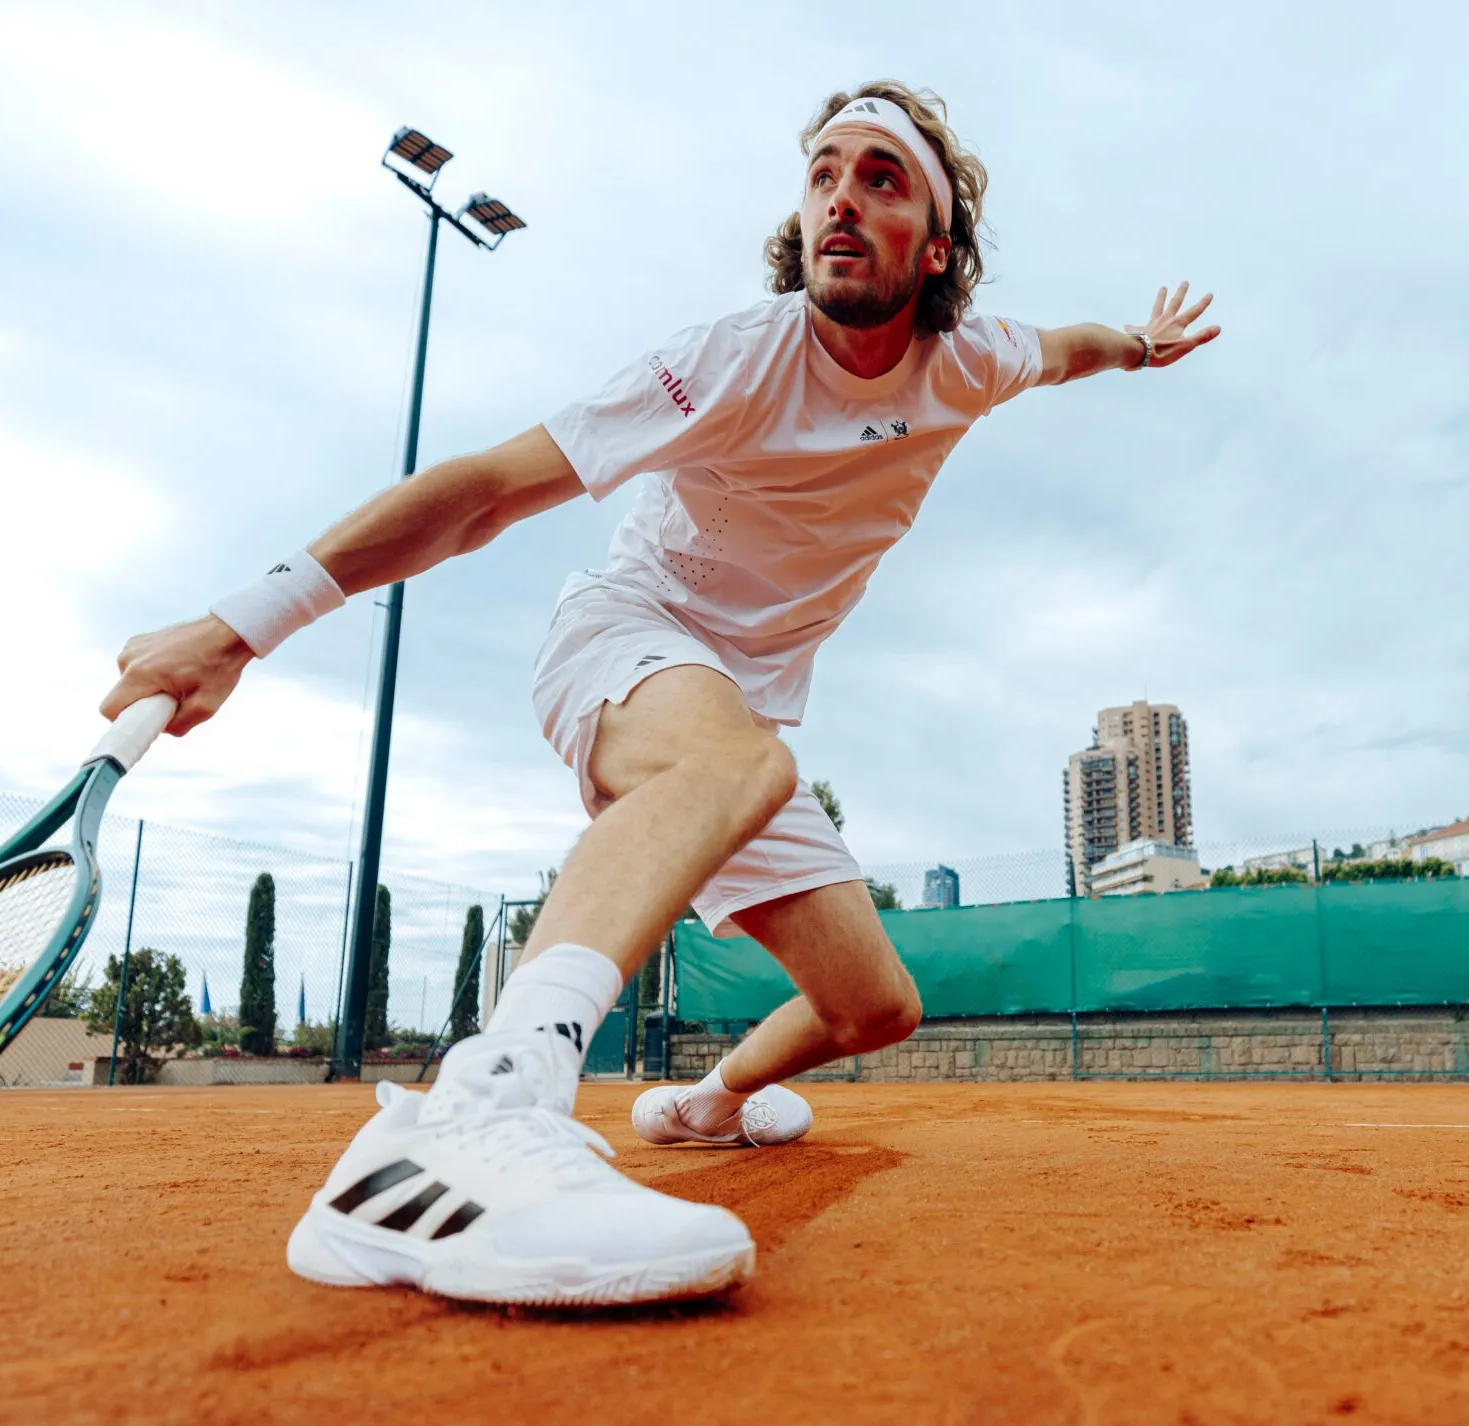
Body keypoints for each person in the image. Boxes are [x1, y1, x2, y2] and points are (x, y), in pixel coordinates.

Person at [102, 81, 1220, 1307]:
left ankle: (703, 1106)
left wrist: (1141, 343)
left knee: (874, 1005)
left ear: (938, 247)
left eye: (880, 179)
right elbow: (488, 489)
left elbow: (1069, 351)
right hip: (625, 638)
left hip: (738, 723)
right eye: (823, 174)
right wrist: (240, 626)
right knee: (738, 761)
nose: (840, 199)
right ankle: (475, 1119)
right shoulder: (733, 359)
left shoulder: (973, 360)